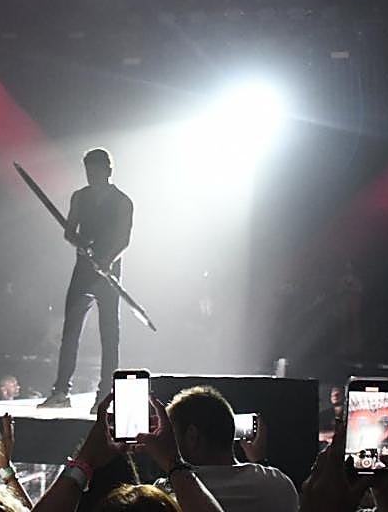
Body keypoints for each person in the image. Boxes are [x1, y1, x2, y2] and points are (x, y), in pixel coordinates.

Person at [40, 148, 134, 411]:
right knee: (70, 331)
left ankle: (105, 395)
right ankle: (61, 392)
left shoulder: (123, 201)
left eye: (95, 170)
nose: (91, 175)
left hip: (108, 273)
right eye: (88, 171)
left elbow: (124, 239)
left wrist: (107, 260)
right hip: (83, 272)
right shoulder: (79, 197)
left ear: (108, 170)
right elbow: (69, 232)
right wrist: (78, 242)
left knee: (109, 334)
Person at [161, 386, 297, 512]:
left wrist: (170, 460)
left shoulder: (169, 494)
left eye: (171, 434)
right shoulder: (279, 484)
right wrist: (260, 463)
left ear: (192, 436)